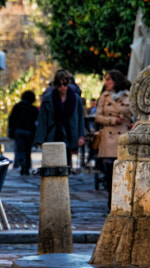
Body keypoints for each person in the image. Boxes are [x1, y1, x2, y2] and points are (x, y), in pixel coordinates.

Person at [94, 69, 133, 207]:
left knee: (124, 171)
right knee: (110, 172)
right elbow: (97, 117)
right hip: (109, 137)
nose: (106, 82)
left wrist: (133, 124)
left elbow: (136, 116)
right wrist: (112, 120)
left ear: (116, 81)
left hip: (123, 135)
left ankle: (122, 200)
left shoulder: (129, 96)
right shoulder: (104, 97)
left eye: (108, 79)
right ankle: (111, 202)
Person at [35, 70, 85, 171]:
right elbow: (42, 120)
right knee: (52, 164)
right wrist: (40, 140)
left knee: (67, 163)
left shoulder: (75, 99)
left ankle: (64, 183)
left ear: (68, 83)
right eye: (59, 84)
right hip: (52, 134)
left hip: (69, 133)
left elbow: (80, 118)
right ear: (55, 85)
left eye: (65, 83)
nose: (62, 87)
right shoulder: (48, 99)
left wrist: (81, 135)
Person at [7, 91, 39, 175]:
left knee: (20, 149)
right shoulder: (34, 109)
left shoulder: (17, 107)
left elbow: (11, 119)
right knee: (28, 150)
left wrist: (11, 131)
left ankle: (21, 163)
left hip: (19, 131)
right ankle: (27, 166)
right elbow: (37, 123)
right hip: (29, 132)